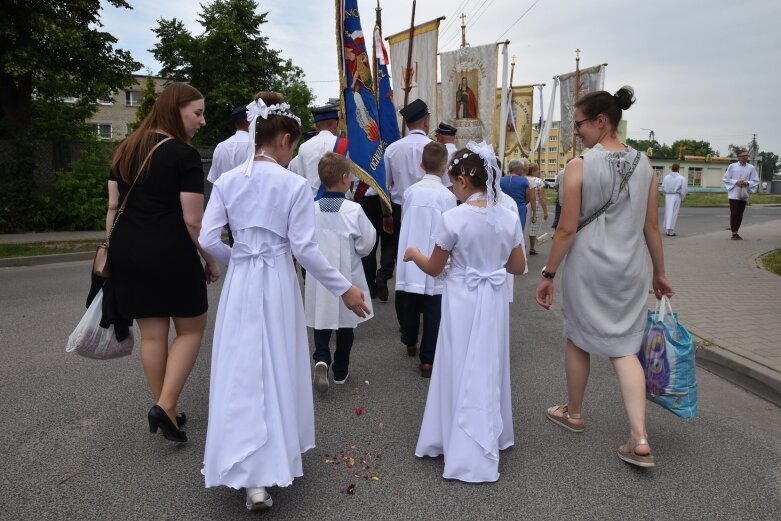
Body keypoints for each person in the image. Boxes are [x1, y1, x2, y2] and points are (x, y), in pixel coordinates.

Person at [199, 92, 369, 510]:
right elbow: (305, 250)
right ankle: (269, 462)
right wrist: (343, 288)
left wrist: (235, 258)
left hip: (241, 281)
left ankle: (245, 468)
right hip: (276, 278)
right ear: (283, 140)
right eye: (291, 144)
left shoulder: (226, 181)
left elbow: (206, 239)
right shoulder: (292, 185)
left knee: (241, 365)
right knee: (274, 362)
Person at [534, 86, 674, 469]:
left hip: (588, 267)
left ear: (601, 121)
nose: (575, 131)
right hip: (630, 269)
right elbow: (651, 229)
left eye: (578, 124)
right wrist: (659, 273)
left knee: (578, 337)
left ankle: (574, 412)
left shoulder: (579, 167)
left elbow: (565, 230)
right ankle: (639, 437)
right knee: (625, 349)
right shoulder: (646, 166)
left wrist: (548, 274)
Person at [404, 141, 527, 482]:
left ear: (461, 182)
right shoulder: (508, 215)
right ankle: (493, 432)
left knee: (458, 363)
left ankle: (451, 436)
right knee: (489, 362)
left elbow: (433, 268)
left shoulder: (453, 218)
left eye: (452, 182)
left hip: (461, 301)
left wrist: (414, 253)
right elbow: (517, 266)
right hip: (493, 300)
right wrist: (490, 261)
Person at [107, 82, 220, 444]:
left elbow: (112, 207)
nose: (201, 121)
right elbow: (193, 220)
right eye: (197, 113)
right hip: (169, 250)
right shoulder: (182, 155)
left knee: (152, 333)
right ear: (176, 110)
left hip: (127, 251)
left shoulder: (123, 149)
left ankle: (166, 408)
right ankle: (166, 404)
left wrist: (112, 250)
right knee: (190, 329)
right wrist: (210, 257)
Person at [305, 152, 376, 393]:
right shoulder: (353, 210)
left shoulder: (310, 209)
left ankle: (322, 357)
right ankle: (341, 369)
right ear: (346, 178)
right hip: (348, 274)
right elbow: (366, 243)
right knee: (347, 322)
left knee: (321, 317)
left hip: (319, 274)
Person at [395, 142, 457, 376]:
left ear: (421, 165)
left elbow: (405, 220)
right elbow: (449, 230)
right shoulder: (447, 197)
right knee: (433, 310)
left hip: (411, 256)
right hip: (434, 257)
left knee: (409, 304)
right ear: (445, 167)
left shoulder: (410, 192)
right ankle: (428, 359)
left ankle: (410, 340)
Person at [289, 103, 343, 195]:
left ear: (316, 127)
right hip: (341, 203)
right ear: (335, 126)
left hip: (312, 203)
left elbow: (301, 178)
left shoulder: (303, 147)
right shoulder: (344, 144)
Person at [208, 105, 250, 184]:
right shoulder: (256, 146)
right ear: (250, 120)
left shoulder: (220, 146)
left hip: (222, 195)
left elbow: (214, 180)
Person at [723, 149, 759, 240]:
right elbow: (726, 178)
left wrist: (746, 183)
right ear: (739, 157)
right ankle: (734, 233)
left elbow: (755, 180)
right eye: (743, 156)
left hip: (744, 193)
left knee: (740, 214)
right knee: (734, 213)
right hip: (734, 193)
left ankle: (736, 231)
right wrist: (736, 182)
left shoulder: (751, 168)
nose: (745, 157)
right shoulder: (732, 166)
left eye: (747, 156)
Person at [499, 158, 533, 231]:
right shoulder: (524, 180)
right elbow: (528, 197)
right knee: (518, 230)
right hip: (519, 207)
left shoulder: (502, 180)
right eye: (522, 169)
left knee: (505, 229)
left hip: (504, 207)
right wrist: (523, 203)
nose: (523, 171)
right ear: (518, 169)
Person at [526, 162, 547, 254]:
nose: (539, 172)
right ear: (534, 170)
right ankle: (532, 247)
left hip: (524, 204)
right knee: (533, 227)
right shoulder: (538, 181)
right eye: (538, 170)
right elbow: (541, 197)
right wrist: (545, 211)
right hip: (536, 205)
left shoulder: (523, 178)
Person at [661, 163, 687, 236]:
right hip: (676, 196)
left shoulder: (666, 177)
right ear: (678, 169)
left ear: (671, 168)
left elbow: (663, 187)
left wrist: (665, 194)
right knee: (673, 213)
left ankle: (667, 230)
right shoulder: (681, 178)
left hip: (668, 196)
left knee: (667, 212)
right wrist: (682, 197)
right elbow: (684, 189)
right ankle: (671, 231)